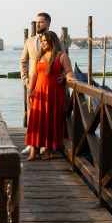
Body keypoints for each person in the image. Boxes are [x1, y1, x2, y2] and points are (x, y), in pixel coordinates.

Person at [20, 13, 66, 155]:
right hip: (34, 84)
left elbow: (64, 60)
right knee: (34, 115)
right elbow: (23, 62)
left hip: (52, 86)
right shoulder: (29, 41)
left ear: (48, 24)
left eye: (41, 22)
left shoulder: (58, 41)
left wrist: (64, 75)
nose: (38, 24)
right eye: (37, 22)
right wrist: (26, 80)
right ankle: (32, 144)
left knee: (50, 115)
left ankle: (48, 146)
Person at [25, 31, 75, 161]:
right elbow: (34, 75)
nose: (42, 43)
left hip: (54, 94)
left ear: (52, 41)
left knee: (51, 120)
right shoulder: (39, 57)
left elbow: (69, 72)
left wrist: (68, 78)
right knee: (37, 120)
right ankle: (34, 150)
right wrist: (30, 91)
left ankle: (48, 150)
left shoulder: (62, 56)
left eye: (44, 41)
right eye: (41, 41)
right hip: (39, 93)